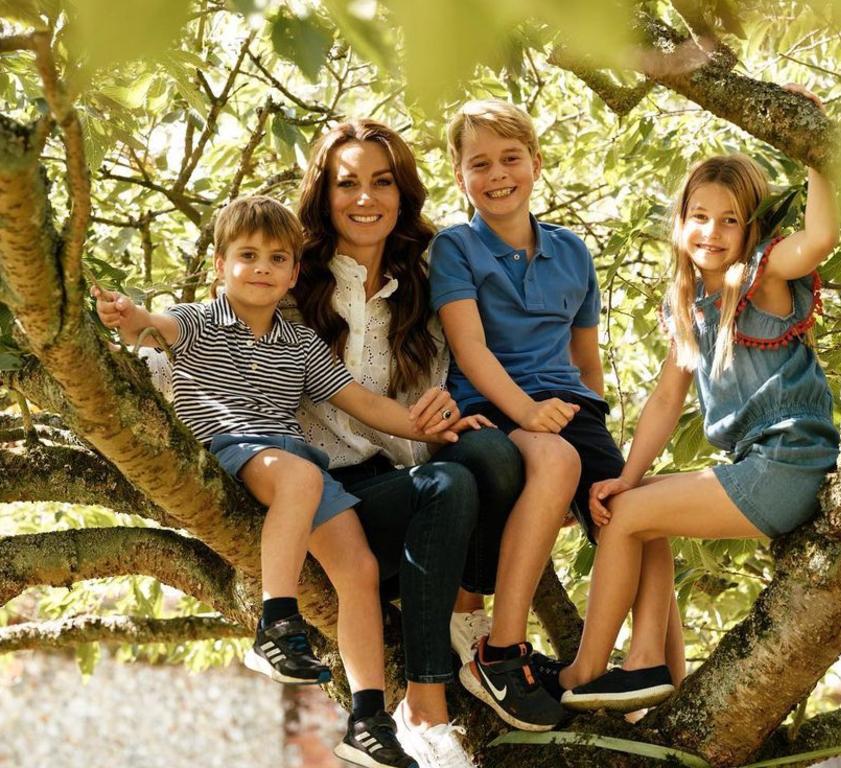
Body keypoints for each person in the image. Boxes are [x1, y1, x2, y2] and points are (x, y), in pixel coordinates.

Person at [93, 195, 483, 768]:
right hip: (236, 450)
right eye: (246, 256)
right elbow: (153, 327)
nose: (261, 269)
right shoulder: (198, 321)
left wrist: (438, 428)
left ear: (295, 273)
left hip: (293, 464)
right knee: (302, 473)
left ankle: (368, 719)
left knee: (361, 569)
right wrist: (130, 318)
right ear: (220, 265)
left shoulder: (299, 344)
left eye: (277, 259)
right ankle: (275, 624)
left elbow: (364, 404)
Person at [555, 85, 841, 711]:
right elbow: (663, 400)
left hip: (787, 464)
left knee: (628, 519)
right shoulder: (689, 303)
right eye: (700, 216)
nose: (711, 232)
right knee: (638, 509)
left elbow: (818, 240)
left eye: (730, 220)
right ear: (681, 222)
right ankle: (655, 672)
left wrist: (817, 145)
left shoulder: (759, 278)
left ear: (752, 228)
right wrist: (627, 476)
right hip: (754, 467)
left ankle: (584, 673)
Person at [429, 100, 684, 732]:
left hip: (569, 408)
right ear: (460, 176)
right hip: (492, 404)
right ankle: (501, 650)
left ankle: (653, 669)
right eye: (479, 163)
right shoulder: (455, 249)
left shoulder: (572, 252)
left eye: (510, 159)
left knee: (638, 508)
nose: (497, 175)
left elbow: (585, 361)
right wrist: (527, 412)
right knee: (557, 459)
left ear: (536, 164)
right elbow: (470, 349)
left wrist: (599, 433)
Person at [290, 119, 524, 768]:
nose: (366, 198)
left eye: (382, 182)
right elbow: (219, 333)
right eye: (348, 184)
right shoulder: (295, 279)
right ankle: (425, 702)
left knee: (490, 456)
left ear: (404, 193)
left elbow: (494, 341)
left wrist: (455, 411)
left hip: (423, 488)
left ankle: (465, 614)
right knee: (446, 485)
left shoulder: (431, 268)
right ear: (324, 195)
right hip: (341, 496)